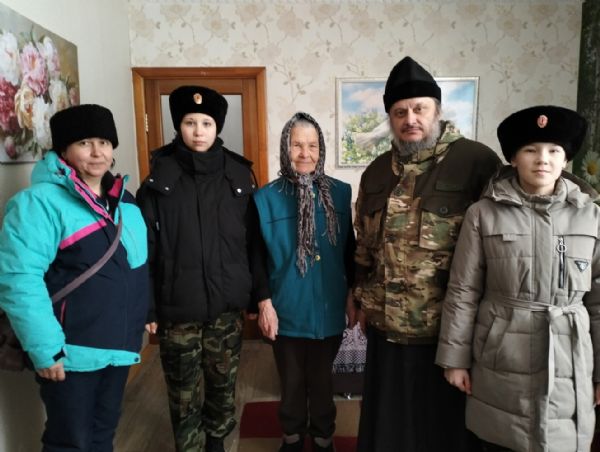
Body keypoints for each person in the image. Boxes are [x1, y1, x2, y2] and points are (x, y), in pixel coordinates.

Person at [353, 56, 502, 452]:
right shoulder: (376, 172)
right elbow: (365, 246)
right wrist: (360, 298)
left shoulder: (476, 162)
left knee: (444, 434)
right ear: (390, 118)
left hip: (447, 334)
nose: (410, 119)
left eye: (419, 109)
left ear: (437, 110)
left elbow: (500, 247)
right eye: (400, 112)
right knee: (389, 431)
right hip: (386, 329)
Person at [436, 105, 600, 452]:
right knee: (501, 441)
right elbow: (463, 290)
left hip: (570, 358)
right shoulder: (483, 214)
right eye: (530, 150)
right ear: (513, 158)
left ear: (566, 159)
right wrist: (455, 359)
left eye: (553, 150)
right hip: (502, 355)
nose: (543, 159)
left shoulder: (591, 216)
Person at [0, 104, 149, 452]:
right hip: (70, 352)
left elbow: (138, 268)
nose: (97, 152)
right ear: (63, 150)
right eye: (84, 143)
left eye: (104, 142)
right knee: (71, 442)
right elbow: (19, 280)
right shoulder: (38, 204)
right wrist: (46, 349)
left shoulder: (125, 202)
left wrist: (148, 314)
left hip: (119, 346)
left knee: (102, 434)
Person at [136, 85, 265, 452]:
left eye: (206, 123)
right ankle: (189, 446)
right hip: (178, 306)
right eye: (190, 122)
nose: (198, 131)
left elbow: (253, 244)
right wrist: (148, 307)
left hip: (226, 305)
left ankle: (217, 441)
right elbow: (145, 251)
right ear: (179, 126)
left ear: (217, 127)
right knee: (182, 390)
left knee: (223, 381)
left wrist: (257, 295)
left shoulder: (239, 176)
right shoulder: (158, 180)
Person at [253, 112, 355, 452]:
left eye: (312, 145)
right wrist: (264, 303)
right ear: (286, 148)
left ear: (321, 149)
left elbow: (349, 249)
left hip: (329, 306)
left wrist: (352, 294)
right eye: (297, 145)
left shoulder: (339, 193)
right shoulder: (266, 198)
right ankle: (292, 438)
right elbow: (256, 257)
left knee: (323, 381)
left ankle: (324, 437)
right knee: (292, 382)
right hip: (286, 308)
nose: (305, 153)